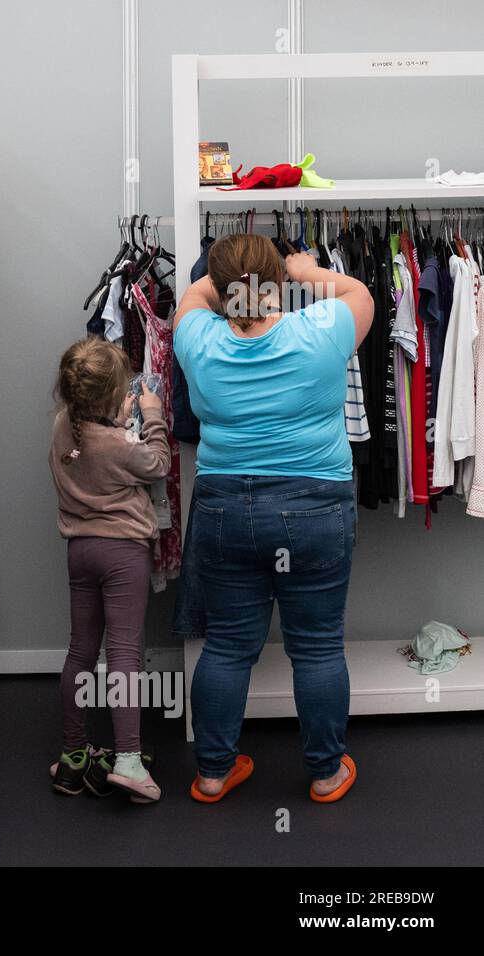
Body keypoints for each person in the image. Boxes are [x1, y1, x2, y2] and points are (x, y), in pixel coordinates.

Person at [173, 233, 374, 805]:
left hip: (224, 510)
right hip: (313, 509)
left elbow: (194, 297)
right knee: (316, 647)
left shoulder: (197, 335)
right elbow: (361, 292)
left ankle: (212, 772)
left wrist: (230, 278)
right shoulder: (322, 329)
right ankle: (326, 774)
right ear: (276, 284)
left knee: (230, 647)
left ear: (219, 285)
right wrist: (305, 271)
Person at [48, 337, 168, 803]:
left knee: (80, 652)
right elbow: (156, 464)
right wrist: (151, 413)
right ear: (112, 396)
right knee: (123, 655)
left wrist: (116, 415)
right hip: (123, 556)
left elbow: (91, 446)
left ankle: (73, 756)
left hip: (80, 552)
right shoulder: (121, 445)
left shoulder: (64, 427)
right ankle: (129, 762)